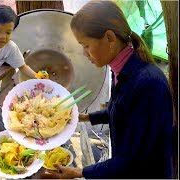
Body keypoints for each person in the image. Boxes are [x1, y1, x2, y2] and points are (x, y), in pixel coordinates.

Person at [43, 1, 173, 179]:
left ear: (110, 38)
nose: (84, 53)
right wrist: (83, 117)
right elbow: (121, 111)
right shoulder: (120, 70)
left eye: (86, 46)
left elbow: (131, 160)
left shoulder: (148, 84)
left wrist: (77, 172)